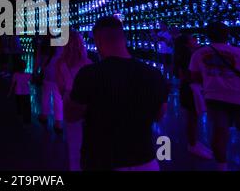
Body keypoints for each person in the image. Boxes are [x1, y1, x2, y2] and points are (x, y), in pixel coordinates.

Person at [64, 16, 168, 171]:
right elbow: (159, 115)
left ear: (98, 41)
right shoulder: (153, 74)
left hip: (102, 161)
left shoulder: (89, 74)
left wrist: (67, 91)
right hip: (145, 160)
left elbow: (71, 115)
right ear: (123, 38)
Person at [190, 22, 240, 171]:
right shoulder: (237, 52)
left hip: (214, 97)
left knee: (219, 132)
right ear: (227, 34)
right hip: (237, 96)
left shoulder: (198, 53)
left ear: (208, 35)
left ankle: (221, 166)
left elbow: (194, 76)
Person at [56, 30, 92, 171]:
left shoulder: (60, 63)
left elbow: (60, 88)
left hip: (69, 102)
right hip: (87, 104)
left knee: (73, 142)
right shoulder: (87, 63)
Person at [174, 34, 213, 159]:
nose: (195, 40)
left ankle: (193, 142)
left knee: (192, 116)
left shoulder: (182, 53)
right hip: (190, 88)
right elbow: (186, 74)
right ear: (186, 43)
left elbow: (179, 73)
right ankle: (192, 145)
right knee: (192, 116)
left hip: (186, 87)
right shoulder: (189, 55)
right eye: (192, 39)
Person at [37, 38, 63, 132]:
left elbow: (39, 62)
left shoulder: (44, 45)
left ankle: (44, 115)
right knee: (58, 99)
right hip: (58, 76)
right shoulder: (61, 45)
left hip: (48, 75)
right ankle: (59, 122)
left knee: (46, 96)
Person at [8, 58, 32, 124]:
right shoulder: (28, 75)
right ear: (25, 67)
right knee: (27, 106)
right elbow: (33, 80)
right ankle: (27, 120)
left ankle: (20, 117)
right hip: (26, 93)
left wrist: (9, 93)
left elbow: (12, 85)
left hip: (18, 93)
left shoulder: (15, 75)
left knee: (19, 105)